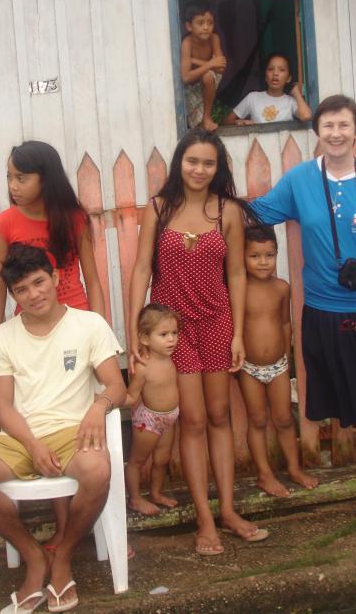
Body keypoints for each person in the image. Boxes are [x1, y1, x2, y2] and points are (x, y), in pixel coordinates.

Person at [250, 94, 356, 518]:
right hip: (327, 305)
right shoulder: (301, 179)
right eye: (327, 126)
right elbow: (258, 212)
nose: (336, 133)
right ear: (317, 133)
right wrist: (208, 203)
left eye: (344, 125)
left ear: (355, 130)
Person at [128, 128, 268, 556]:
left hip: (217, 322)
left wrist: (238, 332)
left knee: (220, 415)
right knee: (190, 420)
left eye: (208, 163)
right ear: (179, 163)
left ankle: (227, 510)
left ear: (218, 168)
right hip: (172, 333)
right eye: (192, 161)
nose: (199, 169)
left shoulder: (226, 211)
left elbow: (238, 275)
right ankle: (204, 519)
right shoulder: (159, 208)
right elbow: (140, 271)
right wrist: (136, 331)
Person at [0, 246, 125, 614]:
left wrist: (99, 406)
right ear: (14, 296)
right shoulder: (3, 336)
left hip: (74, 431)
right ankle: (34, 556)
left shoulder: (89, 324)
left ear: (55, 278)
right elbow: (2, 406)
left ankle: (63, 556)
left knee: (98, 471)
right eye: (22, 289)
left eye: (39, 282)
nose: (33, 294)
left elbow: (117, 387)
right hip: (22, 435)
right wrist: (32, 444)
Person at [0, 140, 106, 550]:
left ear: (46, 178)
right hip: (33, 335)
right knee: (48, 422)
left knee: (89, 427)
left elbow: (92, 278)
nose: (13, 185)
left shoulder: (72, 219)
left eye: (21, 177)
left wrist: (101, 331)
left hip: (76, 330)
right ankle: (62, 530)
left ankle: (96, 526)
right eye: (9, 177)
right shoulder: (4, 223)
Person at [239, 225, 319, 497]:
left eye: (269, 255)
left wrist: (287, 358)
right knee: (257, 419)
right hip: (249, 368)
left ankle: (294, 468)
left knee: (284, 418)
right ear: (242, 257)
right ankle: (264, 474)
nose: (263, 262)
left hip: (279, 366)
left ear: (276, 255)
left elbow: (285, 323)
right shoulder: (238, 290)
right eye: (255, 256)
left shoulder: (282, 288)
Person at [124, 304, 180, 516]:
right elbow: (131, 397)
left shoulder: (169, 359)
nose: (171, 339)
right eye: (164, 334)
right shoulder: (142, 366)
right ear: (145, 338)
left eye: (174, 333)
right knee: (137, 461)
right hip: (148, 420)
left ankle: (156, 493)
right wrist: (109, 398)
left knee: (161, 459)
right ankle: (136, 499)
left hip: (170, 418)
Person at [180, 0, 227, 131]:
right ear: (189, 26)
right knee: (195, 126)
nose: (206, 27)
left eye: (210, 23)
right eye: (200, 23)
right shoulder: (187, 43)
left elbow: (221, 68)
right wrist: (211, 63)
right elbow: (186, 77)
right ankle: (202, 124)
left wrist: (195, 61)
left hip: (209, 80)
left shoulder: (214, 38)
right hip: (192, 84)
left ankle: (207, 118)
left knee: (207, 76)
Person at [228, 53, 311, 125]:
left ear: (288, 78)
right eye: (270, 69)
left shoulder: (290, 102)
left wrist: (296, 93)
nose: (275, 73)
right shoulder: (253, 98)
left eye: (281, 70)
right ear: (265, 76)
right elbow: (226, 121)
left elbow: (306, 116)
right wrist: (239, 122)